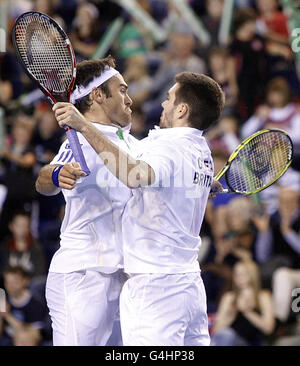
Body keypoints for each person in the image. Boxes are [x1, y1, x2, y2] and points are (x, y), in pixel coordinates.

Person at [53, 71, 225, 346]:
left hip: (157, 287)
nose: (163, 104)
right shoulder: (200, 150)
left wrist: (84, 126)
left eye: (169, 99)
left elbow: (134, 175)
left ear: (182, 110)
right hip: (189, 285)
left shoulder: (169, 146)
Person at [35, 56, 138, 346]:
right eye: (122, 90)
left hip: (122, 275)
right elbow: (44, 180)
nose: (129, 99)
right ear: (97, 96)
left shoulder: (131, 144)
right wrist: (57, 175)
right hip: (83, 274)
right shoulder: (76, 141)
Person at [211, 260, 275, 346]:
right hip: (229, 338)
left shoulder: (262, 296)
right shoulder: (229, 297)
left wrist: (247, 312)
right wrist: (231, 315)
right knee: (225, 335)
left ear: (252, 275)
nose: (239, 277)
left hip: (251, 342)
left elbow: (268, 328)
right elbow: (216, 329)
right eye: (236, 274)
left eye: (243, 274)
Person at [0, 266, 49, 346]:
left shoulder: (35, 304)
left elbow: (34, 337)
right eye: (7, 282)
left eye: (15, 282)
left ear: (25, 281)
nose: (10, 286)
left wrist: (7, 315)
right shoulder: (3, 300)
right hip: (7, 340)